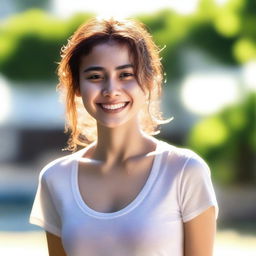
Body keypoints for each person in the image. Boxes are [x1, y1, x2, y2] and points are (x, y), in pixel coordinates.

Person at [29, 16, 219, 256]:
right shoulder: (55, 178)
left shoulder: (184, 171)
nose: (111, 90)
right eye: (95, 76)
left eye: (125, 75)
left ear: (148, 81)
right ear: (77, 85)